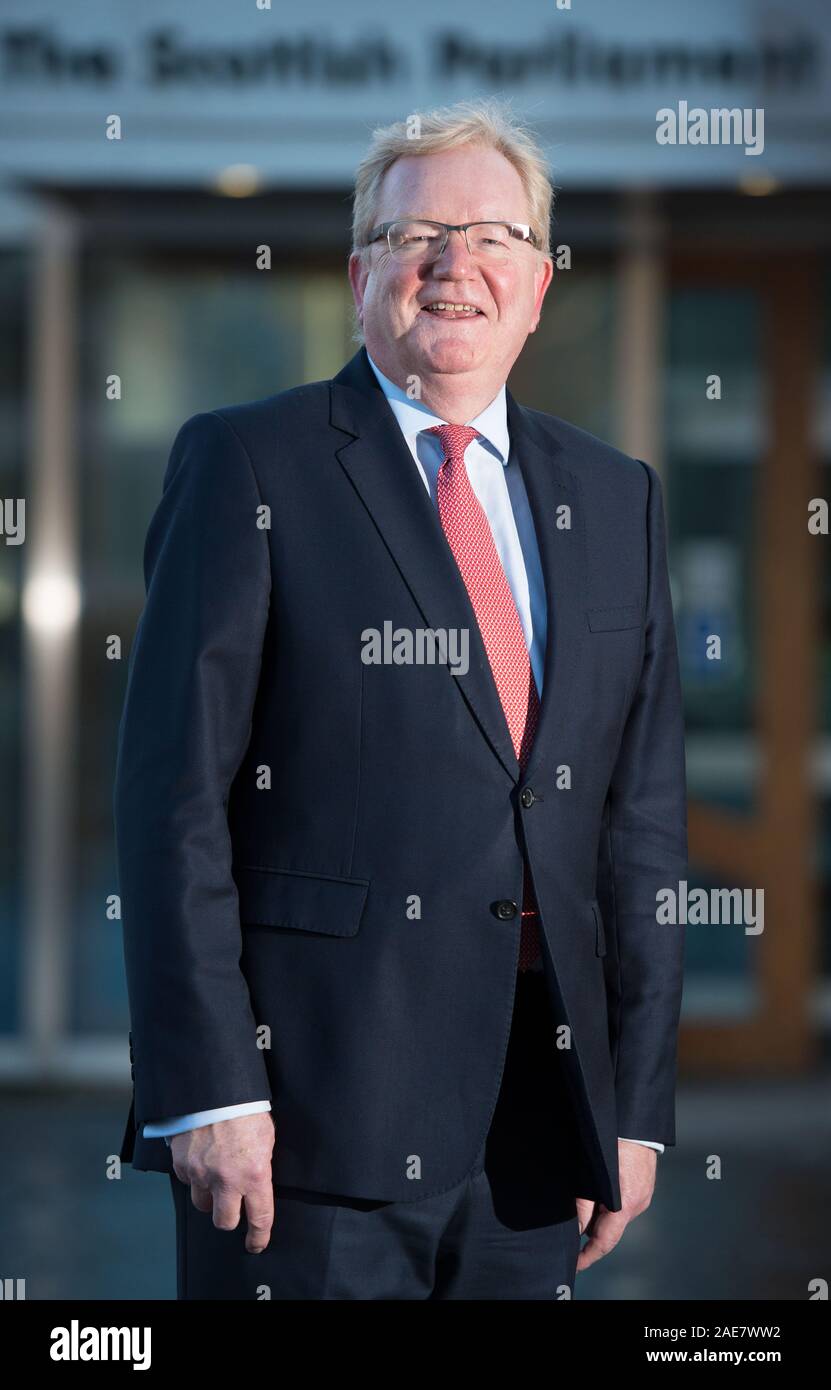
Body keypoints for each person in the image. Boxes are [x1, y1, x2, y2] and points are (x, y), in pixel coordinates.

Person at [114, 97, 687, 1300]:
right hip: (304, 1129)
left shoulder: (616, 496)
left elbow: (640, 826)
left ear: (538, 280)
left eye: (492, 237)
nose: (453, 266)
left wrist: (634, 1107)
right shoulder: (249, 463)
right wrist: (212, 1086)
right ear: (362, 269)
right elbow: (174, 802)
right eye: (415, 235)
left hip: (537, 1134)